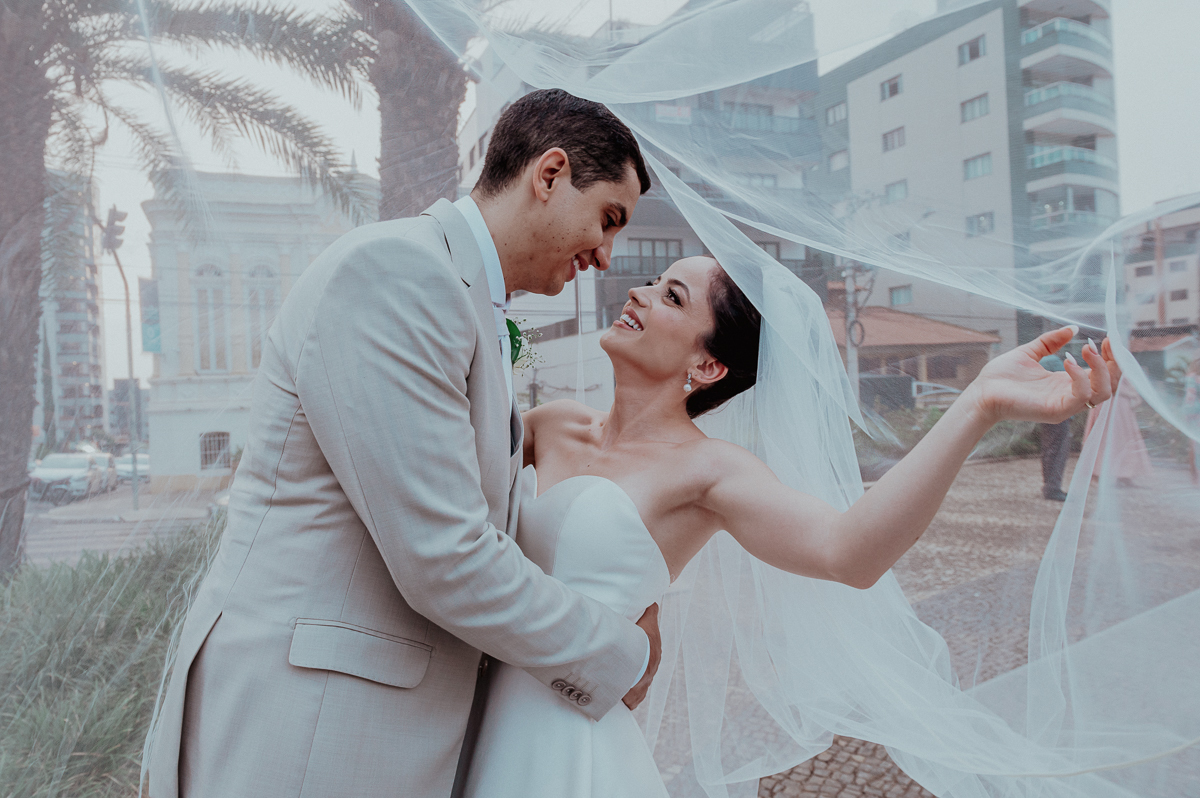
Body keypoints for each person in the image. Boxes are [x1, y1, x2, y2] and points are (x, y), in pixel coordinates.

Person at [145, 89, 665, 798]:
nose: (607, 257)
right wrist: (622, 654)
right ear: (548, 175)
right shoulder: (398, 274)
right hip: (310, 733)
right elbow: (445, 558)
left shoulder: (457, 296)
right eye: (608, 220)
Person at [461, 256, 1121, 797]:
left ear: (707, 367)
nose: (637, 292)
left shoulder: (711, 471)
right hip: (464, 711)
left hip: (571, 746)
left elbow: (848, 553)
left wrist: (978, 406)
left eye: (670, 296)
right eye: (654, 283)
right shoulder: (551, 424)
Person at [1083, 381, 1151, 487]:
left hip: (1121, 405)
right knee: (1105, 438)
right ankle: (1098, 474)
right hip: (1109, 402)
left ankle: (1124, 474)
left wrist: (1134, 394)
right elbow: (1110, 385)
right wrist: (1131, 394)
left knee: (1125, 438)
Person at [1037, 349, 1072, 500]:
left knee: (1048, 450)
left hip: (1044, 412)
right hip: (1059, 412)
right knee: (1058, 450)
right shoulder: (1054, 362)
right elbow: (1068, 384)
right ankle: (1053, 488)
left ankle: (1049, 485)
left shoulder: (1041, 362)